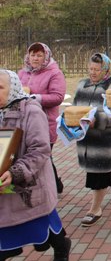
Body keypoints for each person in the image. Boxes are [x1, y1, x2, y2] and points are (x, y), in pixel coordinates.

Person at [0, 70, 71, 261]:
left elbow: (40, 149)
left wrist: (15, 173)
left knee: (42, 222)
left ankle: (62, 247)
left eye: (0, 87)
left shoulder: (30, 111)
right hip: (4, 188)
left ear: (12, 88)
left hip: (30, 186)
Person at [72, 53, 111, 227]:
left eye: (97, 70)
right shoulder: (82, 84)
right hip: (85, 139)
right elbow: (74, 107)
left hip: (104, 140)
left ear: (105, 69)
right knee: (109, 172)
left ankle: (95, 209)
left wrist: (97, 120)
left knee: (98, 175)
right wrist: (70, 119)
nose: (92, 72)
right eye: (90, 69)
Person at [18, 42, 66, 194]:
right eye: (33, 55)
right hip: (24, 122)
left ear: (46, 56)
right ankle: (55, 185)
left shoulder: (54, 73)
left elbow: (58, 97)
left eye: (39, 55)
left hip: (45, 123)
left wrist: (36, 97)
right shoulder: (22, 73)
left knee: (43, 157)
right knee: (37, 157)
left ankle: (50, 187)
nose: (35, 58)